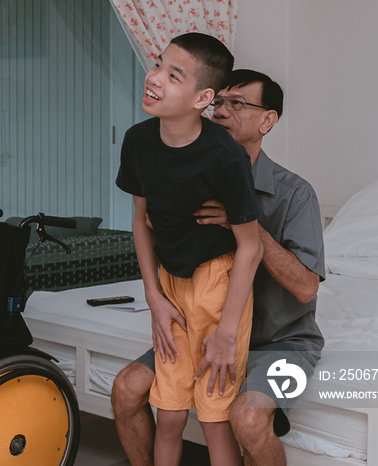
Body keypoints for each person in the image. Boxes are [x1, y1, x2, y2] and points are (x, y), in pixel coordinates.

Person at [111, 68, 325, 466]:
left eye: (238, 103)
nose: (222, 112)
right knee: (125, 388)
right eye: (218, 103)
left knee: (246, 418)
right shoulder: (198, 177)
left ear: (268, 120)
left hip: (278, 342)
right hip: (202, 326)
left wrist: (243, 221)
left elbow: (306, 288)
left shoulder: (295, 194)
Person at [115, 34, 264, 466]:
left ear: (203, 98)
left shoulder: (226, 156)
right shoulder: (138, 141)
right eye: (159, 65)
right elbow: (141, 222)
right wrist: (153, 298)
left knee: (216, 420)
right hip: (171, 281)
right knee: (170, 416)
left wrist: (226, 332)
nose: (155, 77)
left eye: (173, 74)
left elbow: (250, 249)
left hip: (219, 283)